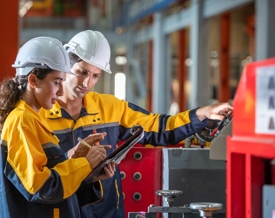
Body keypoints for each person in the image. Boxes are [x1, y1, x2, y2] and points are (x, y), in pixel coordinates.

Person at [39, 30, 233, 218]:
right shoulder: (40, 114)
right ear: (65, 67)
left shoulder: (111, 108)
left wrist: (202, 113)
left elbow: (159, 128)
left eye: (95, 75)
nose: (87, 82)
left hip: (105, 211)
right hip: (59, 209)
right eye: (82, 72)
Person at [0, 36, 116, 218]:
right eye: (56, 82)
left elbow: (54, 183)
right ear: (33, 80)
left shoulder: (34, 119)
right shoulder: (21, 121)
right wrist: (84, 164)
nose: (60, 92)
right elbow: (41, 188)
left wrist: (88, 174)